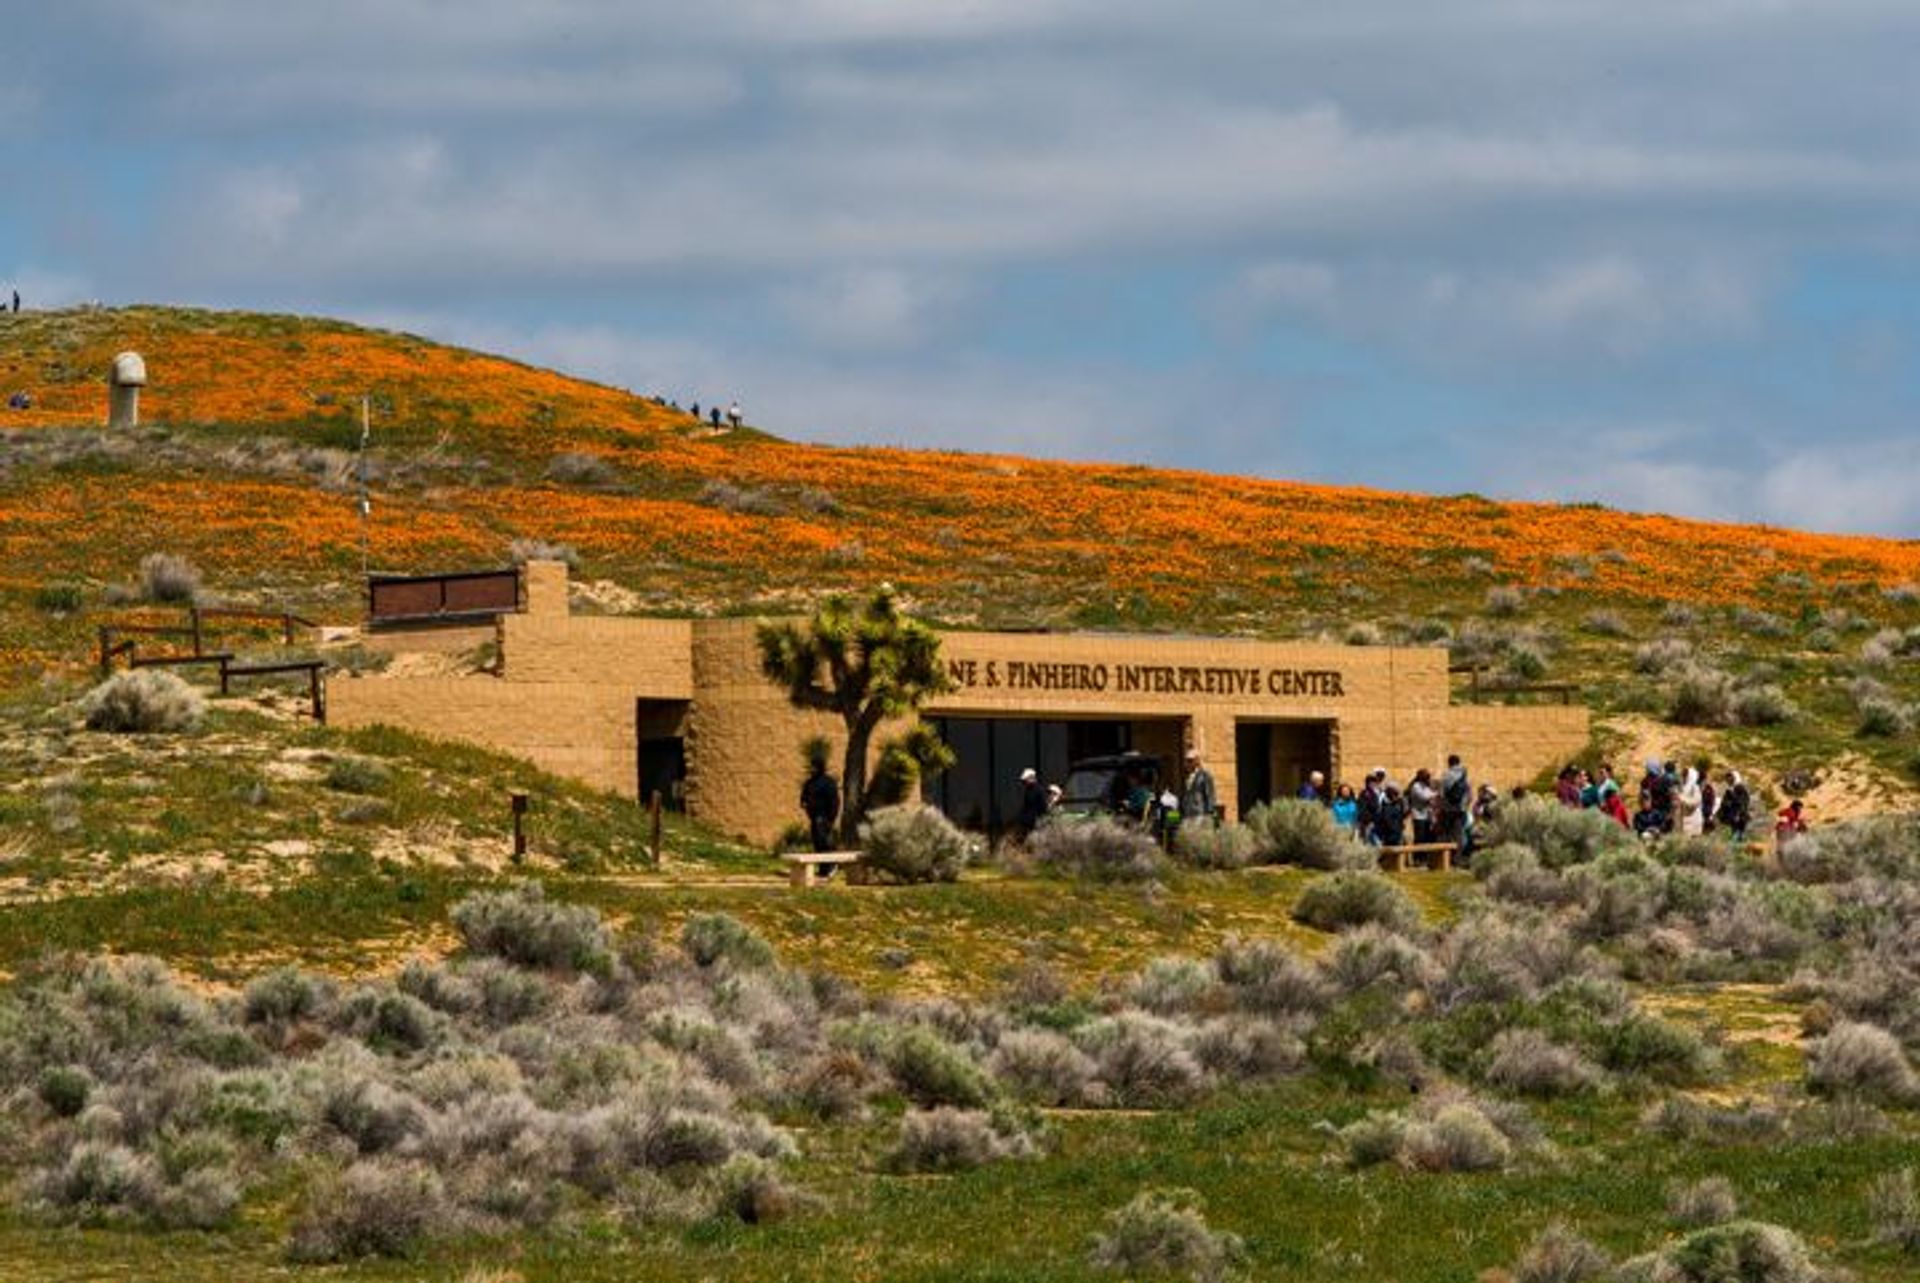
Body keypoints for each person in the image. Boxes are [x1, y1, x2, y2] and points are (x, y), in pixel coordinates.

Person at [800, 753, 840, 875]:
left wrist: (830, 819)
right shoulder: (810, 782)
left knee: (825, 842)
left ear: (820, 767)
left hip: (824, 818)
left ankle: (832, 865)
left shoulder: (828, 782)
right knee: (817, 843)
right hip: (814, 817)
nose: (812, 769)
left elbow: (834, 801)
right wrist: (804, 803)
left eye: (815, 766)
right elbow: (804, 796)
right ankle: (823, 869)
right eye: (811, 766)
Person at [1439, 754, 1470, 851]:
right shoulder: (1464, 774)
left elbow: (1441, 793)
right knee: (1460, 833)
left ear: (1449, 763)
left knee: (1447, 833)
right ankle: (1459, 855)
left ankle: (1448, 857)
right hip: (1461, 809)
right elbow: (1469, 794)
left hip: (1448, 809)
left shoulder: (1446, 775)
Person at [1181, 749, 1217, 827]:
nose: (1187, 763)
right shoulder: (1186, 777)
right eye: (1186, 761)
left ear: (1196, 761)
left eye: (1190, 761)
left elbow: (1210, 795)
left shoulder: (1205, 776)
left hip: (1200, 813)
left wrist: (1209, 814)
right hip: (1187, 813)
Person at [1718, 770, 1751, 842]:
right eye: (1727, 779)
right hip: (1733, 816)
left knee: (1738, 835)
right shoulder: (1730, 789)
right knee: (1734, 833)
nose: (1728, 781)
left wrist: (1738, 813)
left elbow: (1743, 802)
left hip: (1739, 816)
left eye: (1730, 778)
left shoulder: (1740, 788)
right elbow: (1725, 802)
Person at [1407, 768, 1437, 846]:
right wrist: (1436, 794)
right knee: (1420, 837)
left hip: (1426, 815)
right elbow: (1424, 797)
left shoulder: (1425, 786)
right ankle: (1418, 856)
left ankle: (1424, 856)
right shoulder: (1416, 786)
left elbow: (1431, 796)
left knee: (1426, 837)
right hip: (1418, 815)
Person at [1016, 767, 1048, 837]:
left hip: (1036, 823)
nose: (1024, 783)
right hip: (1028, 823)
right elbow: (1026, 806)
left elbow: (1043, 808)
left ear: (1031, 778)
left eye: (1025, 780)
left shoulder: (1039, 790)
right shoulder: (1028, 791)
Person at [1355, 770, 1384, 845]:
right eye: (1371, 782)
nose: (1373, 784)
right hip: (1368, 822)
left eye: (1374, 782)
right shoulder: (1365, 793)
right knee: (1367, 841)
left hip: (1376, 822)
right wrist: (1369, 820)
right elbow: (1363, 808)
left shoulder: (1376, 793)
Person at [1678, 767, 1705, 837]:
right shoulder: (1684, 787)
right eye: (1683, 774)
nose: (1683, 776)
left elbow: (1696, 801)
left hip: (1693, 820)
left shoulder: (1695, 787)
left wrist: (1681, 799)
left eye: (1685, 774)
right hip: (1686, 819)